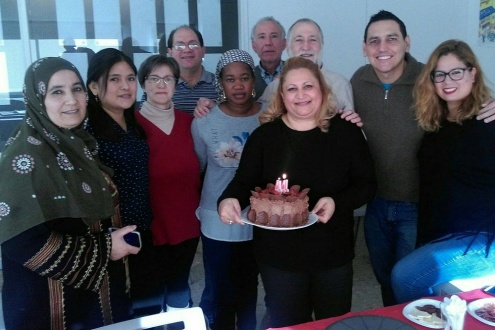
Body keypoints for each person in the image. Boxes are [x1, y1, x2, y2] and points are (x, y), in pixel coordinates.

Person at [218, 56, 376, 328]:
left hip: (332, 252)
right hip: (279, 257)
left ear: (323, 91)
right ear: (282, 94)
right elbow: (243, 182)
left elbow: (367, 185)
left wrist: (336, 201)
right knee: (289, 323)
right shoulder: (265, 137)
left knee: (334, 323)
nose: (300, 95)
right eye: (292, 88)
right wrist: (228, 199)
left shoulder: (346, 133)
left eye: (308, 86)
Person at [352, 10, 495, 307]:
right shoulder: (359, 82)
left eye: (391, 38)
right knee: (387, 280)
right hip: (381, 204)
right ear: (364, 48)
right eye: (374, 41)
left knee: (407, 279)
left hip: (432, 215)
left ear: (406, 42)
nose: (383, 47)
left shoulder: (476, 112)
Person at [0, 57, 140, 329]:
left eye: (76, 89)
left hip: (90, 297)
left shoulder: (76, 143)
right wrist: (106, 249)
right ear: (36, 99)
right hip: (49, 304)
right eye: (57, 92)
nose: (72, 100)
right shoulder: (24, 157)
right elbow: (20, 242)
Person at [391, 40, 495, 303]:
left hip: (481, 238)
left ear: (473, 73)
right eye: (439, 74)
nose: (447, 80)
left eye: (456, 72)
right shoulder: (435, 126)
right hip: (443, 234)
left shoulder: (488, 120)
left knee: (404, 276)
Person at [192, 49, 264, 330]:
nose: (238, 85)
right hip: (216, 217)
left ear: (253, 80)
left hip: (257, 217)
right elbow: (199, 166)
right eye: (230, 79)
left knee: (248, 286)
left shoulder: (270, 115)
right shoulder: (204, 122)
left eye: (244, 78)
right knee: (220, 288)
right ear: (220, 83)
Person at [85, 48, 158, 316]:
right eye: (114, 79)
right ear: (94, 86)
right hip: (111, 237)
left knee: (148, 303)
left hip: (141, 227)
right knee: (123, 309)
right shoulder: (88, 134)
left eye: (130, 78)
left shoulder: (132, 122)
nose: (126, 86)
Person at [136, 54, 201, 313]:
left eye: (168, 78)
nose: (161, 84)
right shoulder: (132, 126)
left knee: (179, 287)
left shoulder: (191, 123)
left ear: (176, 84)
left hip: (187, 223)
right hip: (150, 226)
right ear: (143, 84)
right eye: (154, 78)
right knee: (151, 294)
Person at [258, 18, 354, 113]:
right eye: (299, 40)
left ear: (322, 44)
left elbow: (349, 125)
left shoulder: (340, 84)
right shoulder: (274, 87)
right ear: (287, 46)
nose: (306, 46)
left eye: (312, 40)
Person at [167, 25, 217, 115]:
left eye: (193, 44)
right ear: (170, 52)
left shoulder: (220, 84)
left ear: (203, 51)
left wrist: (217, 110)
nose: (187, 50)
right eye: (179, 46)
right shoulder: (159, 85)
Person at [251, 16, 286, 98]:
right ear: (254, 46)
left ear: (284, 44)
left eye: (274, 36)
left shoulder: (295, 72)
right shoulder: (247, 78)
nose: (268, 43)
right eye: (262, 37)